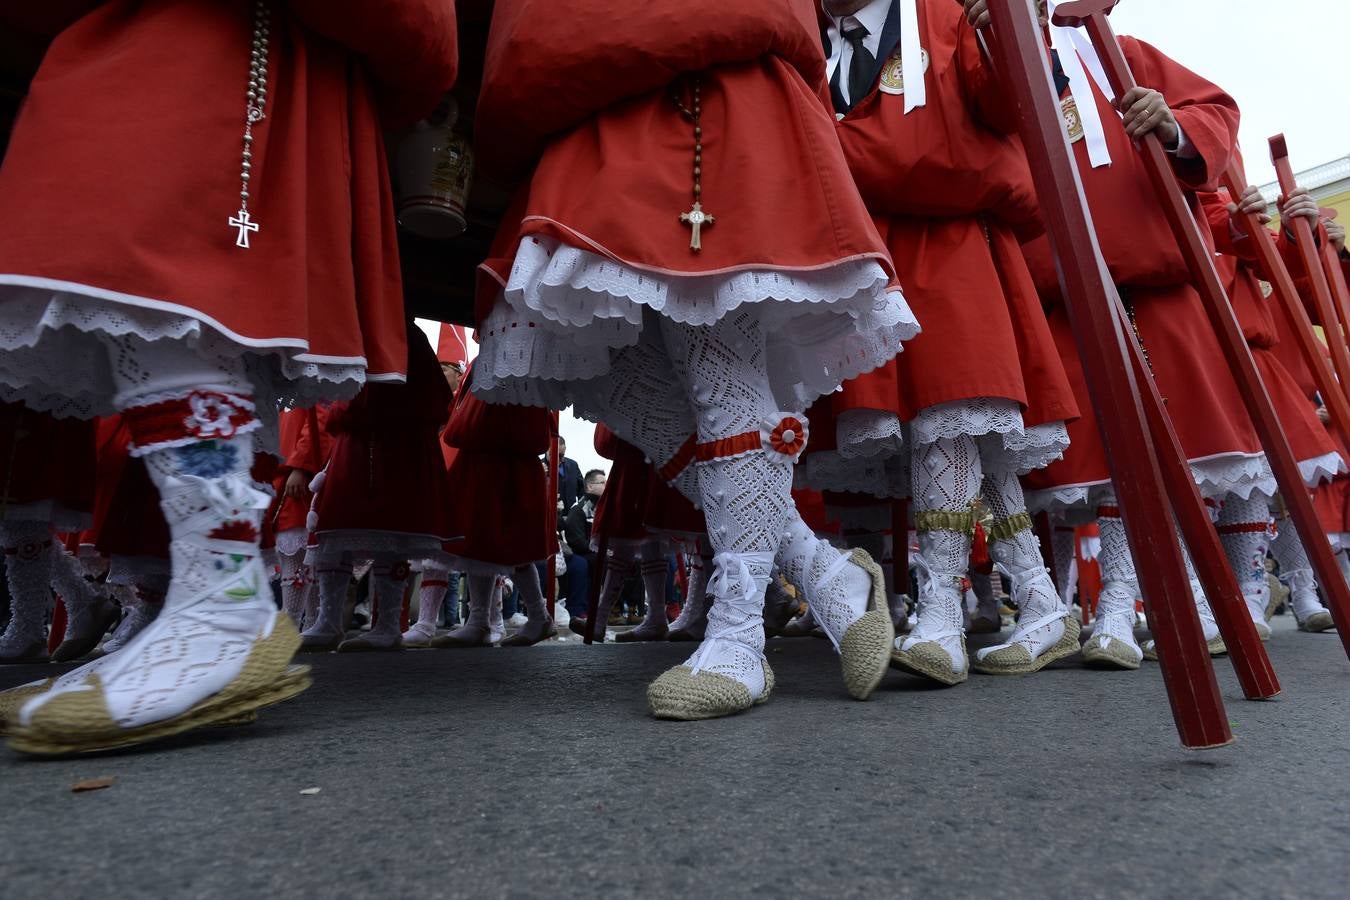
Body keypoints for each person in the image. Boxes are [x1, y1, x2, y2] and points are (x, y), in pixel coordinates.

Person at [0, 1, 458, 753]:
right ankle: (217, 599)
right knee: (118, 263)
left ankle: (222, 605)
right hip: (118, 24)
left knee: (163, 266)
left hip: (239, 27)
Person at [471, 0, 916, 718]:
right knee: (618, 377)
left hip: (705, 76)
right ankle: (824, 573)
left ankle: (741, 631)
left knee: (718, 363)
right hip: (586, 85)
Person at [806, 0, 1080, 687]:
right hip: (873, 243)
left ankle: (941, 617)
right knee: (964, 436)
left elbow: (1012, 103)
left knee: (948, 417)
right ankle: (1042, 602)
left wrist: (1006, 29)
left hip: (951, 235)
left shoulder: (947, 12)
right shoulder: (814, 36)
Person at [1006, 4, 1266, 667]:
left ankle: (1172, 597)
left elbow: (1214, 109)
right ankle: (1109, 603)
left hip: (1155, 285)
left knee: (1176, 452)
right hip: (1062, 294)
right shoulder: (996, 59)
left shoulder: (1121, 50)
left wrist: (1174, 125)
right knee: (1094, 465)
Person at [302, 325, 454, 652]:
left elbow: (433, 399)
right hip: (356, 441)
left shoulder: (409, 336)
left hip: (394, 443)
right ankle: (329, 621)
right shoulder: (360, 326)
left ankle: (386, 625)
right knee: (335, 530)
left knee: (391, 536)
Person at [562, 467, 605, 625]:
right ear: (589, 486)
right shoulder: (579, 509)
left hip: (599, 552)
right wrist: (601, 550)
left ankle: (626, 608)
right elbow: (576, 541)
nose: (606, 486)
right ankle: (587, 608)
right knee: (598, 562)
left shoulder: (604, 508)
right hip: (584, 553)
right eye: (602, 483)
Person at [557, 437, 587, 524]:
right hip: (552, 515)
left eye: (562, 455)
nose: (560, 459)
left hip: (572, 515)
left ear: (565, 448)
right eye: (557, 455)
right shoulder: (541, 467)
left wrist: (581, 508)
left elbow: (582, 488)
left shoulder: (573, 465)